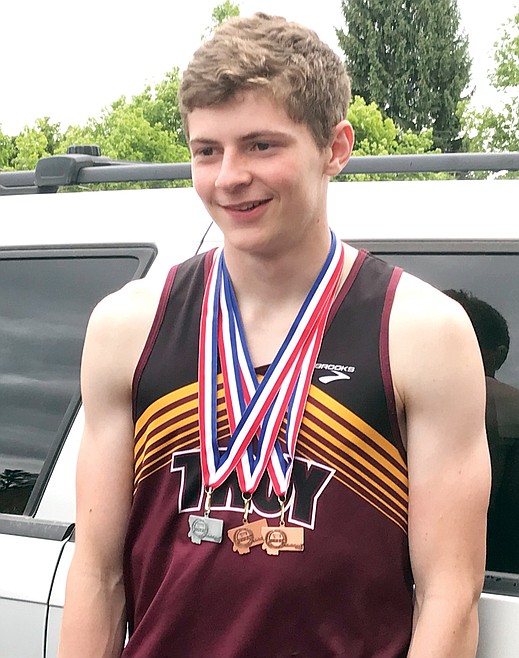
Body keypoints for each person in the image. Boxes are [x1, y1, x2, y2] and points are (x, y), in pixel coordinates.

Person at [58, 13, 490, 658]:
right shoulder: (128, 326)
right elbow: (98, 576)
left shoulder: (420, 332)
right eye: (207, 150)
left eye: (261, 145)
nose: (228, 176)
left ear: (335, 147)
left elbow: (449, 596)